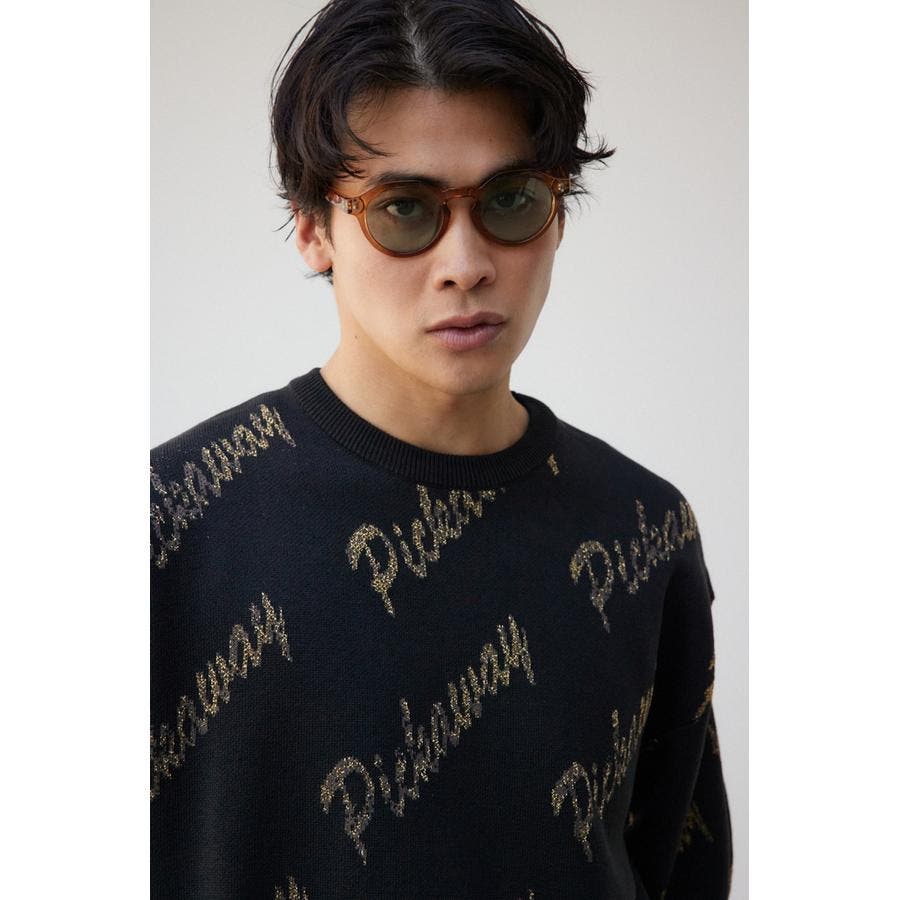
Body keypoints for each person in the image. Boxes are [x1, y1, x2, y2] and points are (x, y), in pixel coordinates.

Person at [150, 1, 733, 897]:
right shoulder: (167, 519)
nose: (466, 263)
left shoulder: (642, 528)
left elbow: (677, 868)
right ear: (312, 228)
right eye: (404, 210)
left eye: (510, 201)